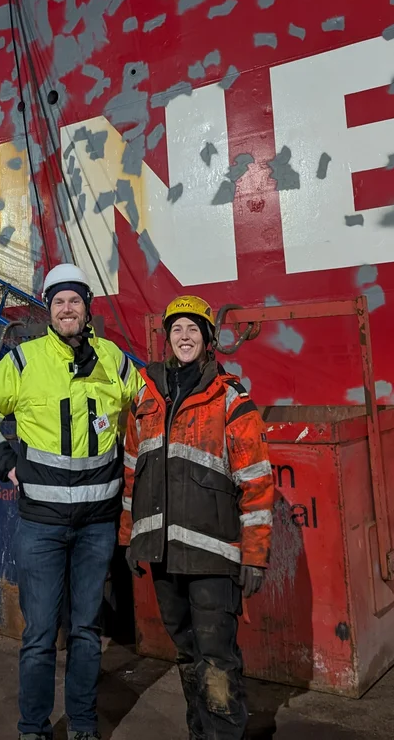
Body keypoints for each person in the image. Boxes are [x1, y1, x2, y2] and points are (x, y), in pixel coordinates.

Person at [0, 263, 144, 740]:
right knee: (40, 637)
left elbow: (150, 405)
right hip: (41, 526)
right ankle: (33, 729)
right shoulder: (24, 362)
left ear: (88, 308)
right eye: (59, 301)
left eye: (76, 300)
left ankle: (84, 725)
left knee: (87, 634)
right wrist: (6, 462)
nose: (68, 309)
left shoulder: (112, 359)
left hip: (97, 526)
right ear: (49, 310)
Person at [118, 296, 274, 740]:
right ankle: (200, 734)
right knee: (186, 654)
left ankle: (225, 734)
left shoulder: (228, 399)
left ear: (208, 339)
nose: (184, 337)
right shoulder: (146, 397)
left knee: (216, 657)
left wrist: (255, 555)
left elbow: (257, 481)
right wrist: (130, 537)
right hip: (165, 557)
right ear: (167, 338)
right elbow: (133, 472)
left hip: (212, 557)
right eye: (177, 329)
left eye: (193, 329)